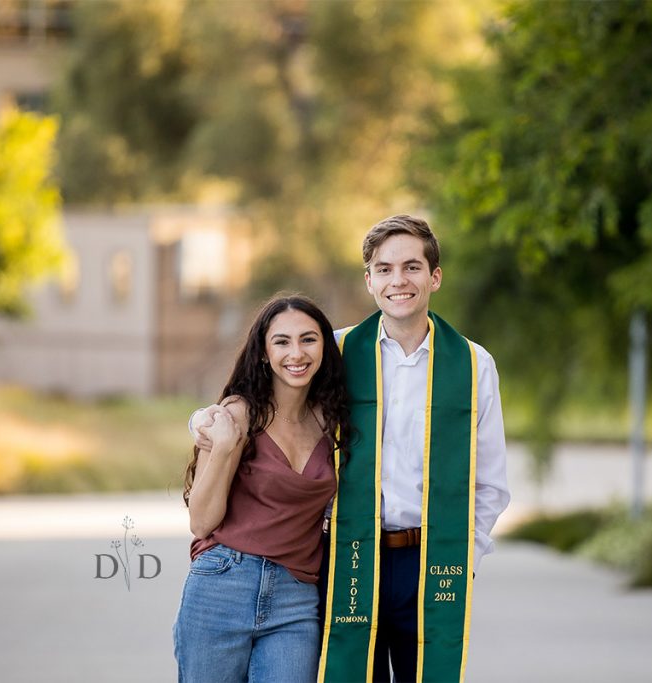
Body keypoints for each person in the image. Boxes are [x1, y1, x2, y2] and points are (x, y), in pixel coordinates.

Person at [192, 214, 510, 682]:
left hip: (433, 558)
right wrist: (204, 420)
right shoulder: (336, 351)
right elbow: (267, 397)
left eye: (411, 267)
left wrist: (465, 558)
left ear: (434, 277)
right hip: (349, 556)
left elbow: (490, 484)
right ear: (369, 280)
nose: (398, 281)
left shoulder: (472, 364)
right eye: (384, 269)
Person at [173, 295, 351, 683]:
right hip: (223, 584)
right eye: (282, 341)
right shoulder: (238, 414)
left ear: (325, 346)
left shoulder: (332, 419)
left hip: (296, 596)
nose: (296, 353)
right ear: (263, 353)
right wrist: (221, 446)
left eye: (309, 339)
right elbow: (202, 522)